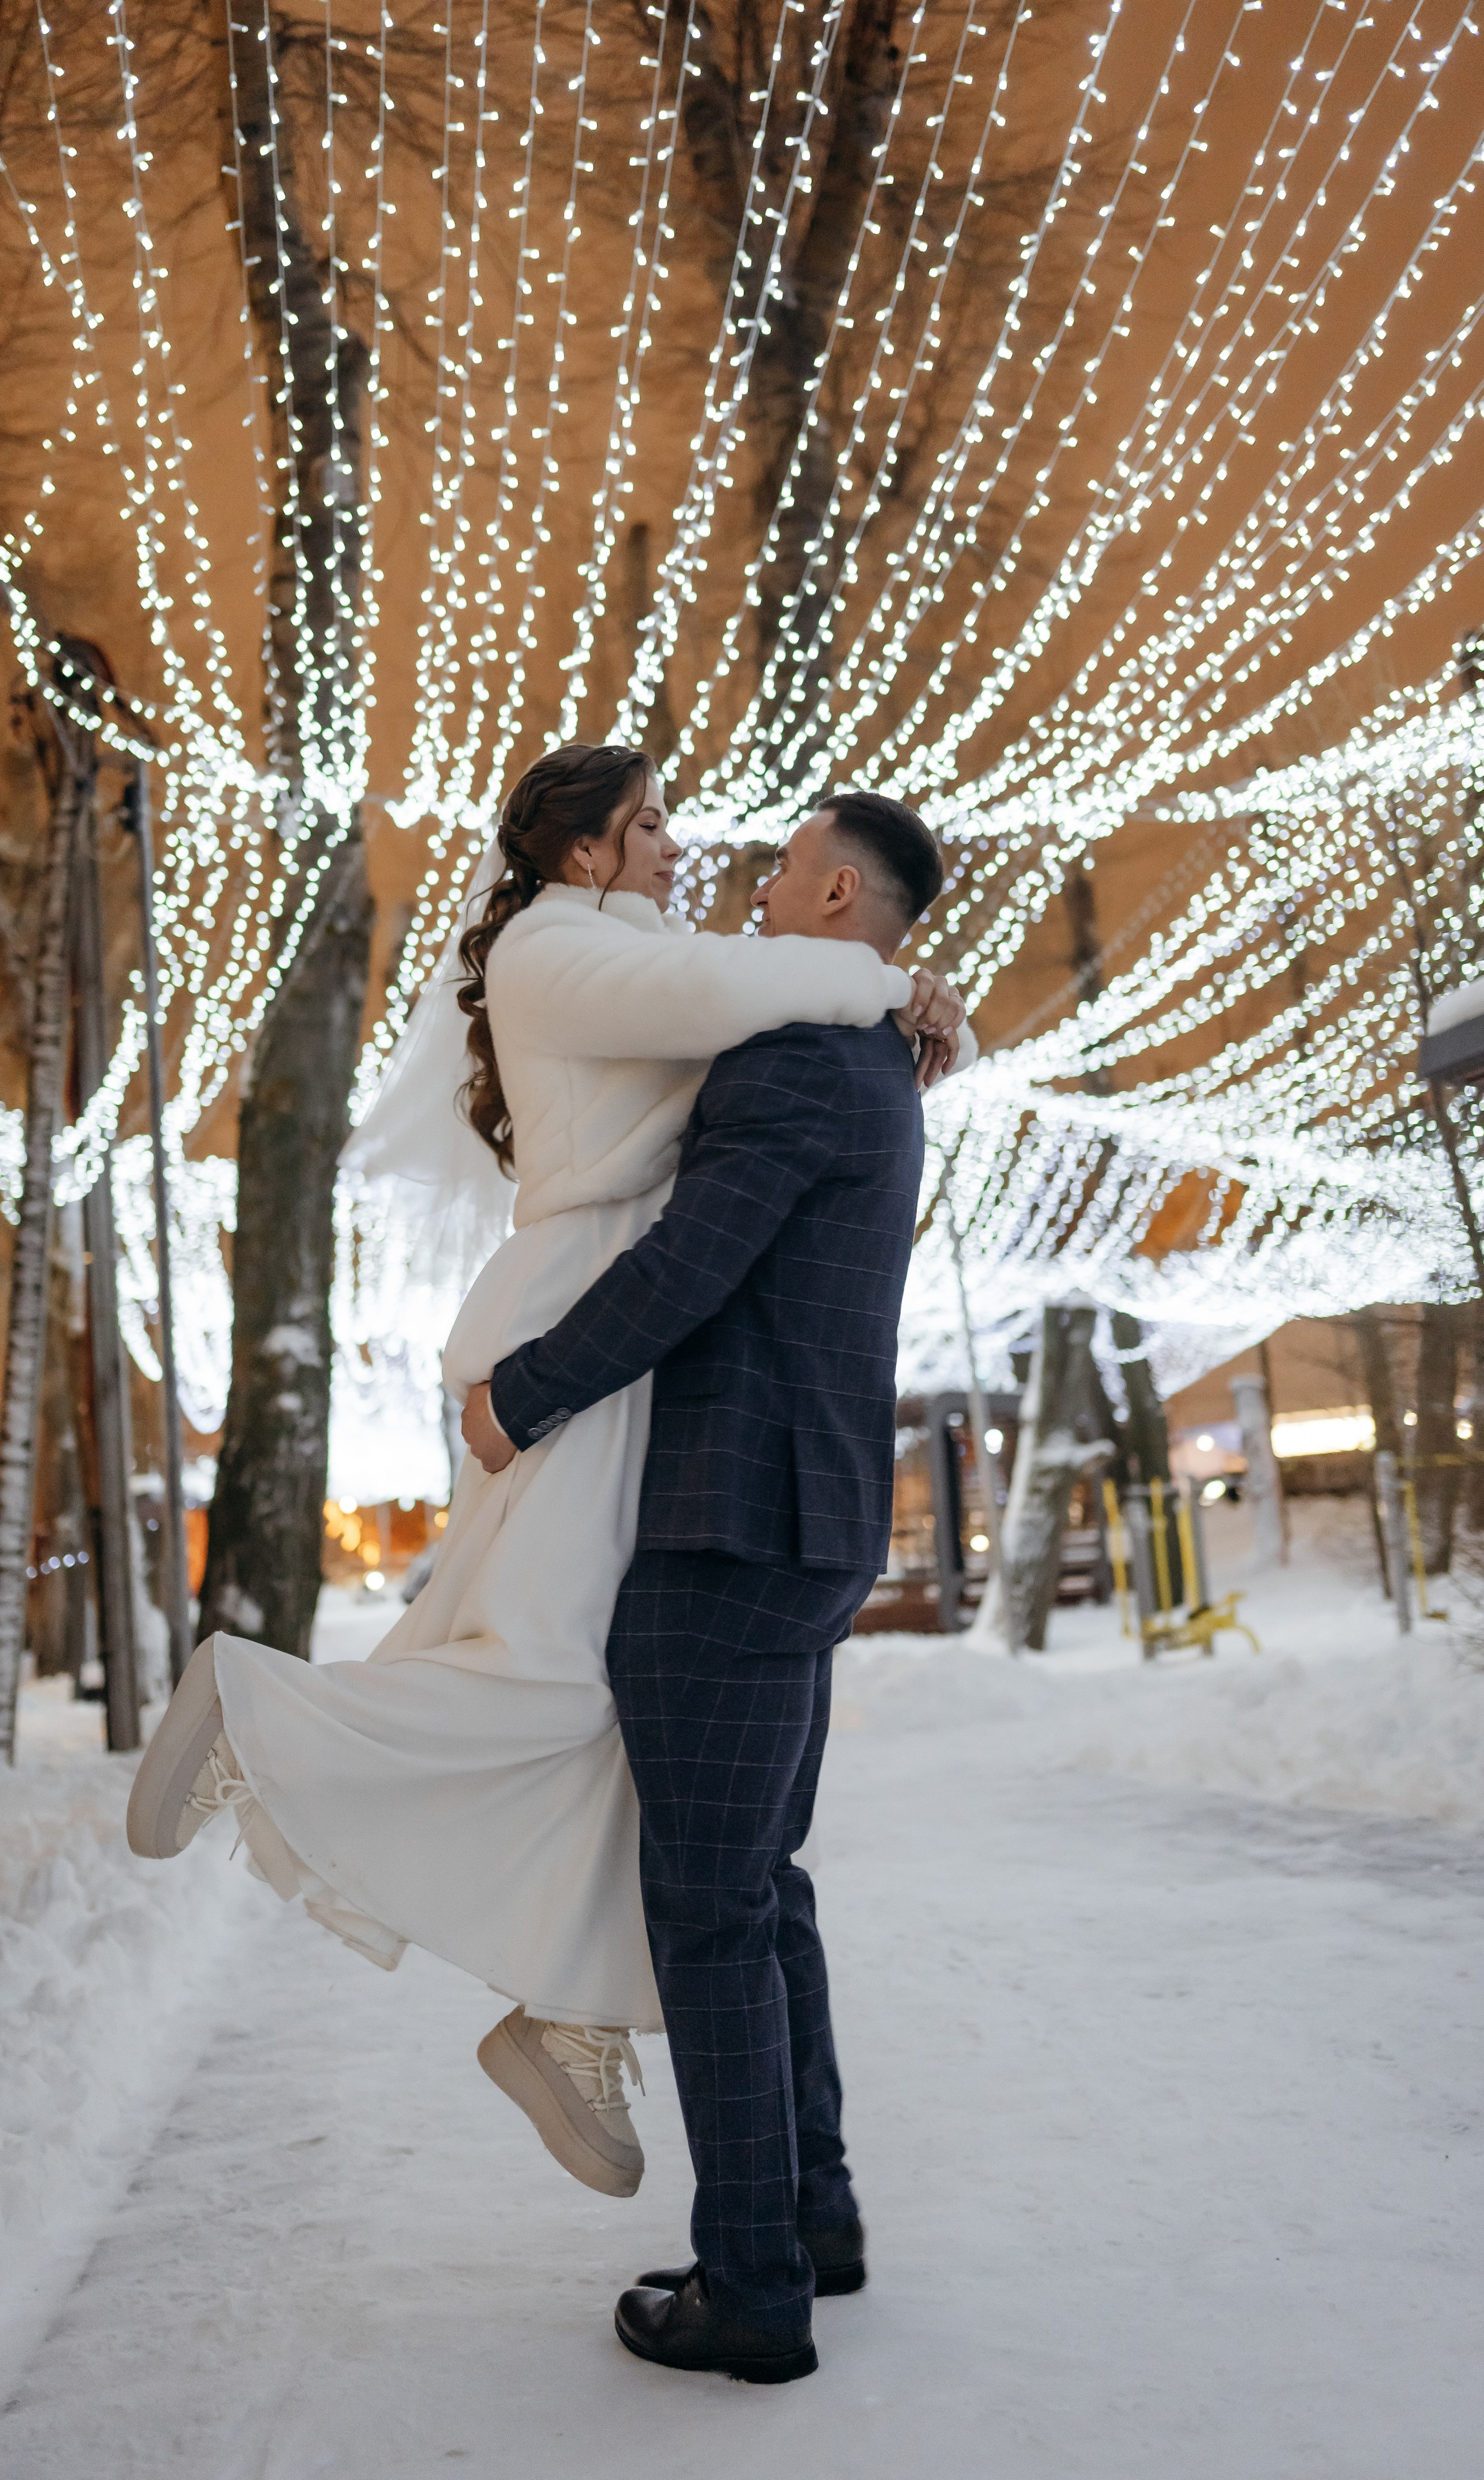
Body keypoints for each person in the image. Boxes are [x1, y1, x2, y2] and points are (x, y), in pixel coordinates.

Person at [127, 744, 969, 2216]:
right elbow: (735, 994)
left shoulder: (666, 965)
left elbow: (743, 986)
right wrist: (894, 982)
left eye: (744, 850)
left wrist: (912, 988)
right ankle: (265, 1718)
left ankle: (572, 2011)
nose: (688, 851)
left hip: (635, 1369)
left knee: (594, 1702)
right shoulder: (555, 951)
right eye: (649, 823)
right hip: (581, 1326)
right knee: (553, 1670)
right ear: (582, 852)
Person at [459, 786, 949, 2384]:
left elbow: (686, 1267)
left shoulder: (802, 1055)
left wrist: (521, 1393)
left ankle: (751, 2289)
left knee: (712, 1917)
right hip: (803, 1514)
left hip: (727, 1525)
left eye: (786, 865)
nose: (753, 883)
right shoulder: (864, 1047)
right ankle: (809, 2216)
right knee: (761, 1889)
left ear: (836, 898)